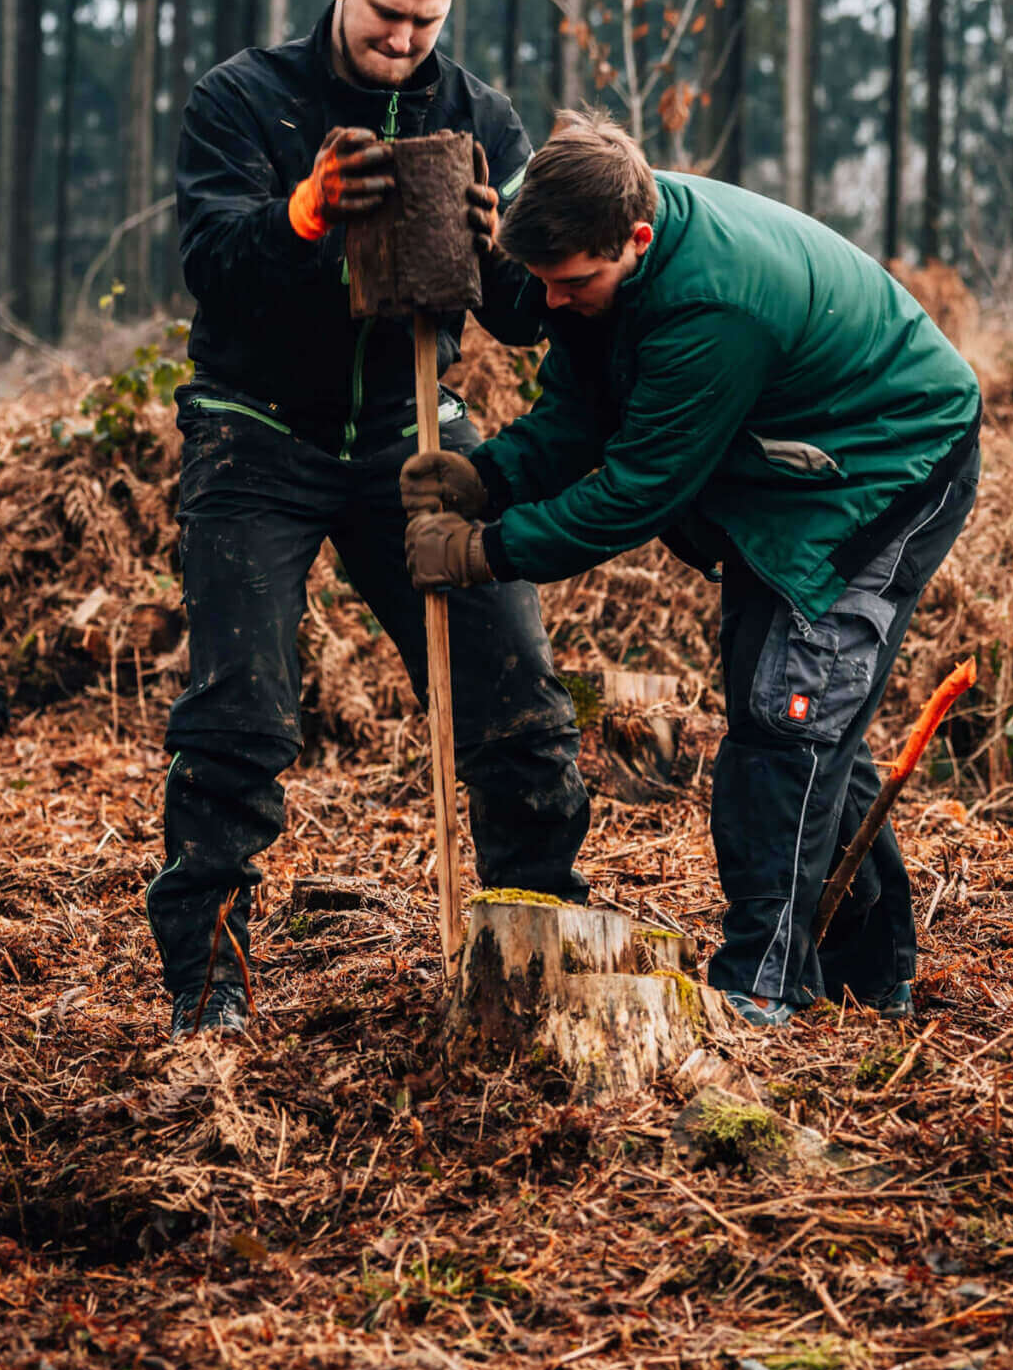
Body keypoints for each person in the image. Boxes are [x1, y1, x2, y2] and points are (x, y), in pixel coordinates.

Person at [401, 116, 981, 1026]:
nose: (551, 304)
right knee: (801, 706)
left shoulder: (711, 312)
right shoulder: (594, 242)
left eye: (572, 283)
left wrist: (487, 550)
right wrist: (490, 476)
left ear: (635, 240)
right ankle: (872, 974)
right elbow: (584, 407)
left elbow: (636, 489)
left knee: (785, 725)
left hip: (883, 469)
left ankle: (763, 985)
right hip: (783, 470)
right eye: (542, 283)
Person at [152, 0, 590, 1036]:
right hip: (256, 434)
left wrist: (506, 253)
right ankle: (209, 989)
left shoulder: (479, 114)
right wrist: (302, 215)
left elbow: (528, 314)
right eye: (386, 15)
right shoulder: (242, 100)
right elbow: (210, 261)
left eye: (424, 26)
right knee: (239, 714)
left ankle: (531, 948)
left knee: (519, 704)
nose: (401, 43)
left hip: (415, 439)